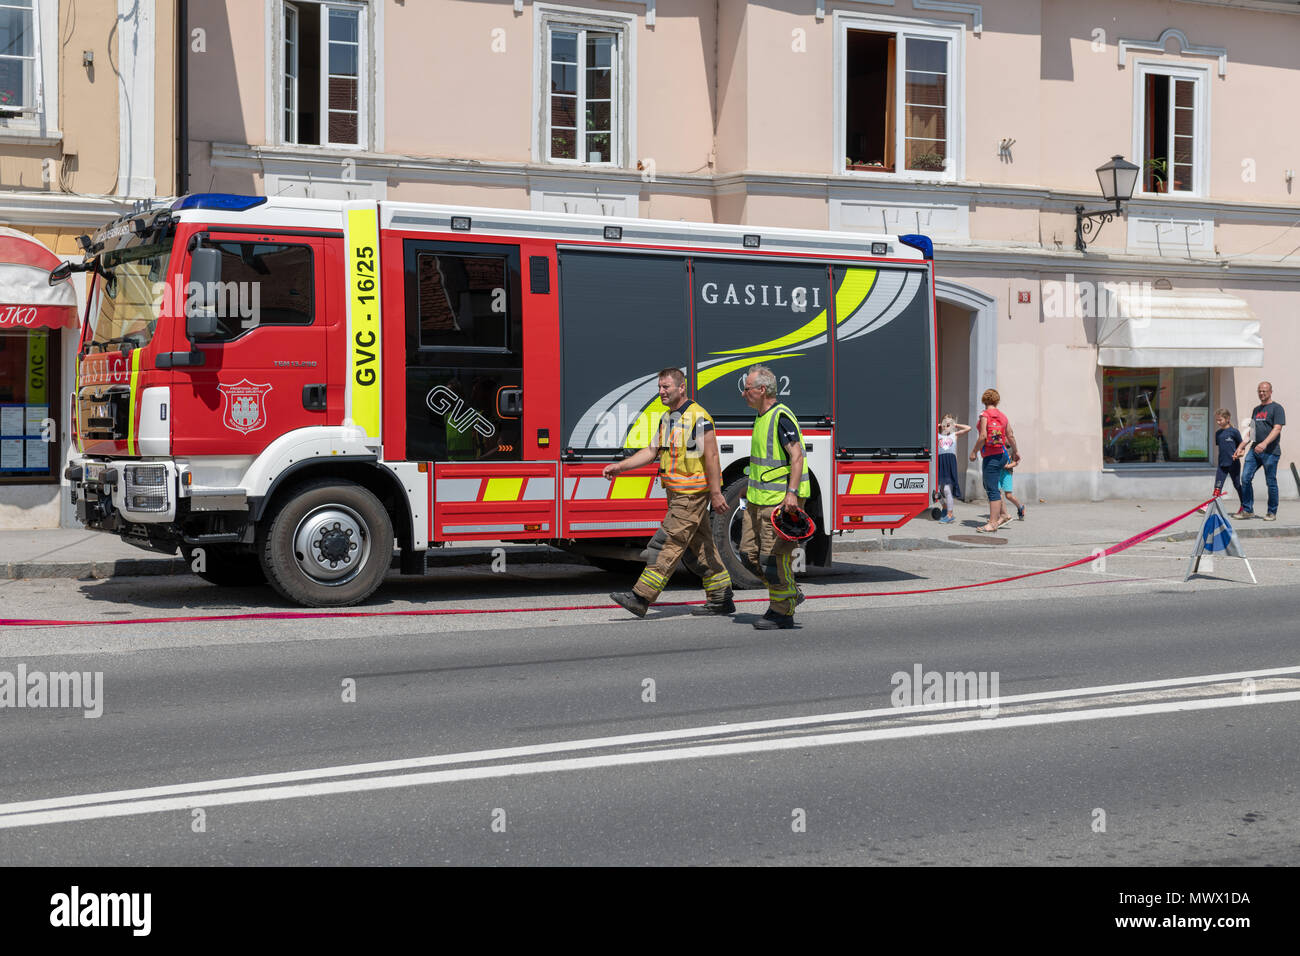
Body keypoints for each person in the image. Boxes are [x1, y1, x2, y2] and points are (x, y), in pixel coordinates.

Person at [605, 368, 734, 617]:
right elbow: (652, 450)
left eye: (666, 387)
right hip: (677, 494)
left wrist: (716, 493)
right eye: (659, 387)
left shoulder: (697, 417)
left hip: (691, 495)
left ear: (681, 387)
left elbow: (711, 456)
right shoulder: (669, 418)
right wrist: (620, 467)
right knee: (701, 548)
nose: (661, 392)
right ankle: (721, 597)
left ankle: (641, 597)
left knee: (666, 544)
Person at [741, 364, 810, 630]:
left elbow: (797, 456)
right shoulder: (761, 416)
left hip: (778, 503)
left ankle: (782, 611)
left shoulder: (781, 416)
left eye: (747, 389)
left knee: (773, 559)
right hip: (758, 500)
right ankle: (789, 591)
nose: (743, 393)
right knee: (748, 554)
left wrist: (791, 494)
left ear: (762, 389)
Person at [968, 388, 1019, 533]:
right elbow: (1010, 435)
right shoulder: (1003, 416)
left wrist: (973, 452)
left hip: (991, 456)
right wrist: (1016, 452)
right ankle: (1003, 514)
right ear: (997, 401)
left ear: (984, 400)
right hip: (1002, 455)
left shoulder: (984, 415)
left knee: (992, 489)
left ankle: (992, 523)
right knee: (991, 485)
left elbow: (983, 436)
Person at [1234, 381, 1285, 521]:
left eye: (1264, 391)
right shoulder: (1256, 410)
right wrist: (1241, 446)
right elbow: (1252, 431)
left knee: (1271, 482)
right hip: (1254, 451)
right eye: (1259, 391)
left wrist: (1264, 443)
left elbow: (1277, 428)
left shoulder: (1277, 408)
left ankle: (1271, 512)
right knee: (1245, 478)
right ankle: (1248, 510)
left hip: (1271, 451)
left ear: (1270, 392)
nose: (1262, 393)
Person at [1200, 408, 1243, 515]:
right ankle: (1210, 507)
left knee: (1237, 485)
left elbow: (1241, 447)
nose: (1218, 422)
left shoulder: (1234, 432)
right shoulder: (1218, 433)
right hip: (1222, 465)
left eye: (1220, 420)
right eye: (1217, 420)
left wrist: (1240, 454)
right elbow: (1222, 448)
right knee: (1217, 487)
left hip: (1233, 464)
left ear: (1227, 419)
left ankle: (1245, 505)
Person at [935, 414, 970, 524]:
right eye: (944, 424)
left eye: (948, 425)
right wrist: (940, 424)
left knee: (946, 489)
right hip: (940, 463)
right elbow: (929, 429)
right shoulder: (938, 436)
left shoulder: (954, 435)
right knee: (934, 490)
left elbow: (968, 428)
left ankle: (950, 514)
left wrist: (955, 424)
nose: (946, 427)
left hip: (950, 463)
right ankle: (944, 506)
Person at [1000, 448, 1026, 520]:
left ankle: (1020, 507)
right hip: (997, 472)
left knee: (1008, 495)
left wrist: (1008, 466)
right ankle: (999, 515)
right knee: (997, 493)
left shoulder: (1012, 449)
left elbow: (1016, 462)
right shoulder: (997, 445)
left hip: (1007, 473)